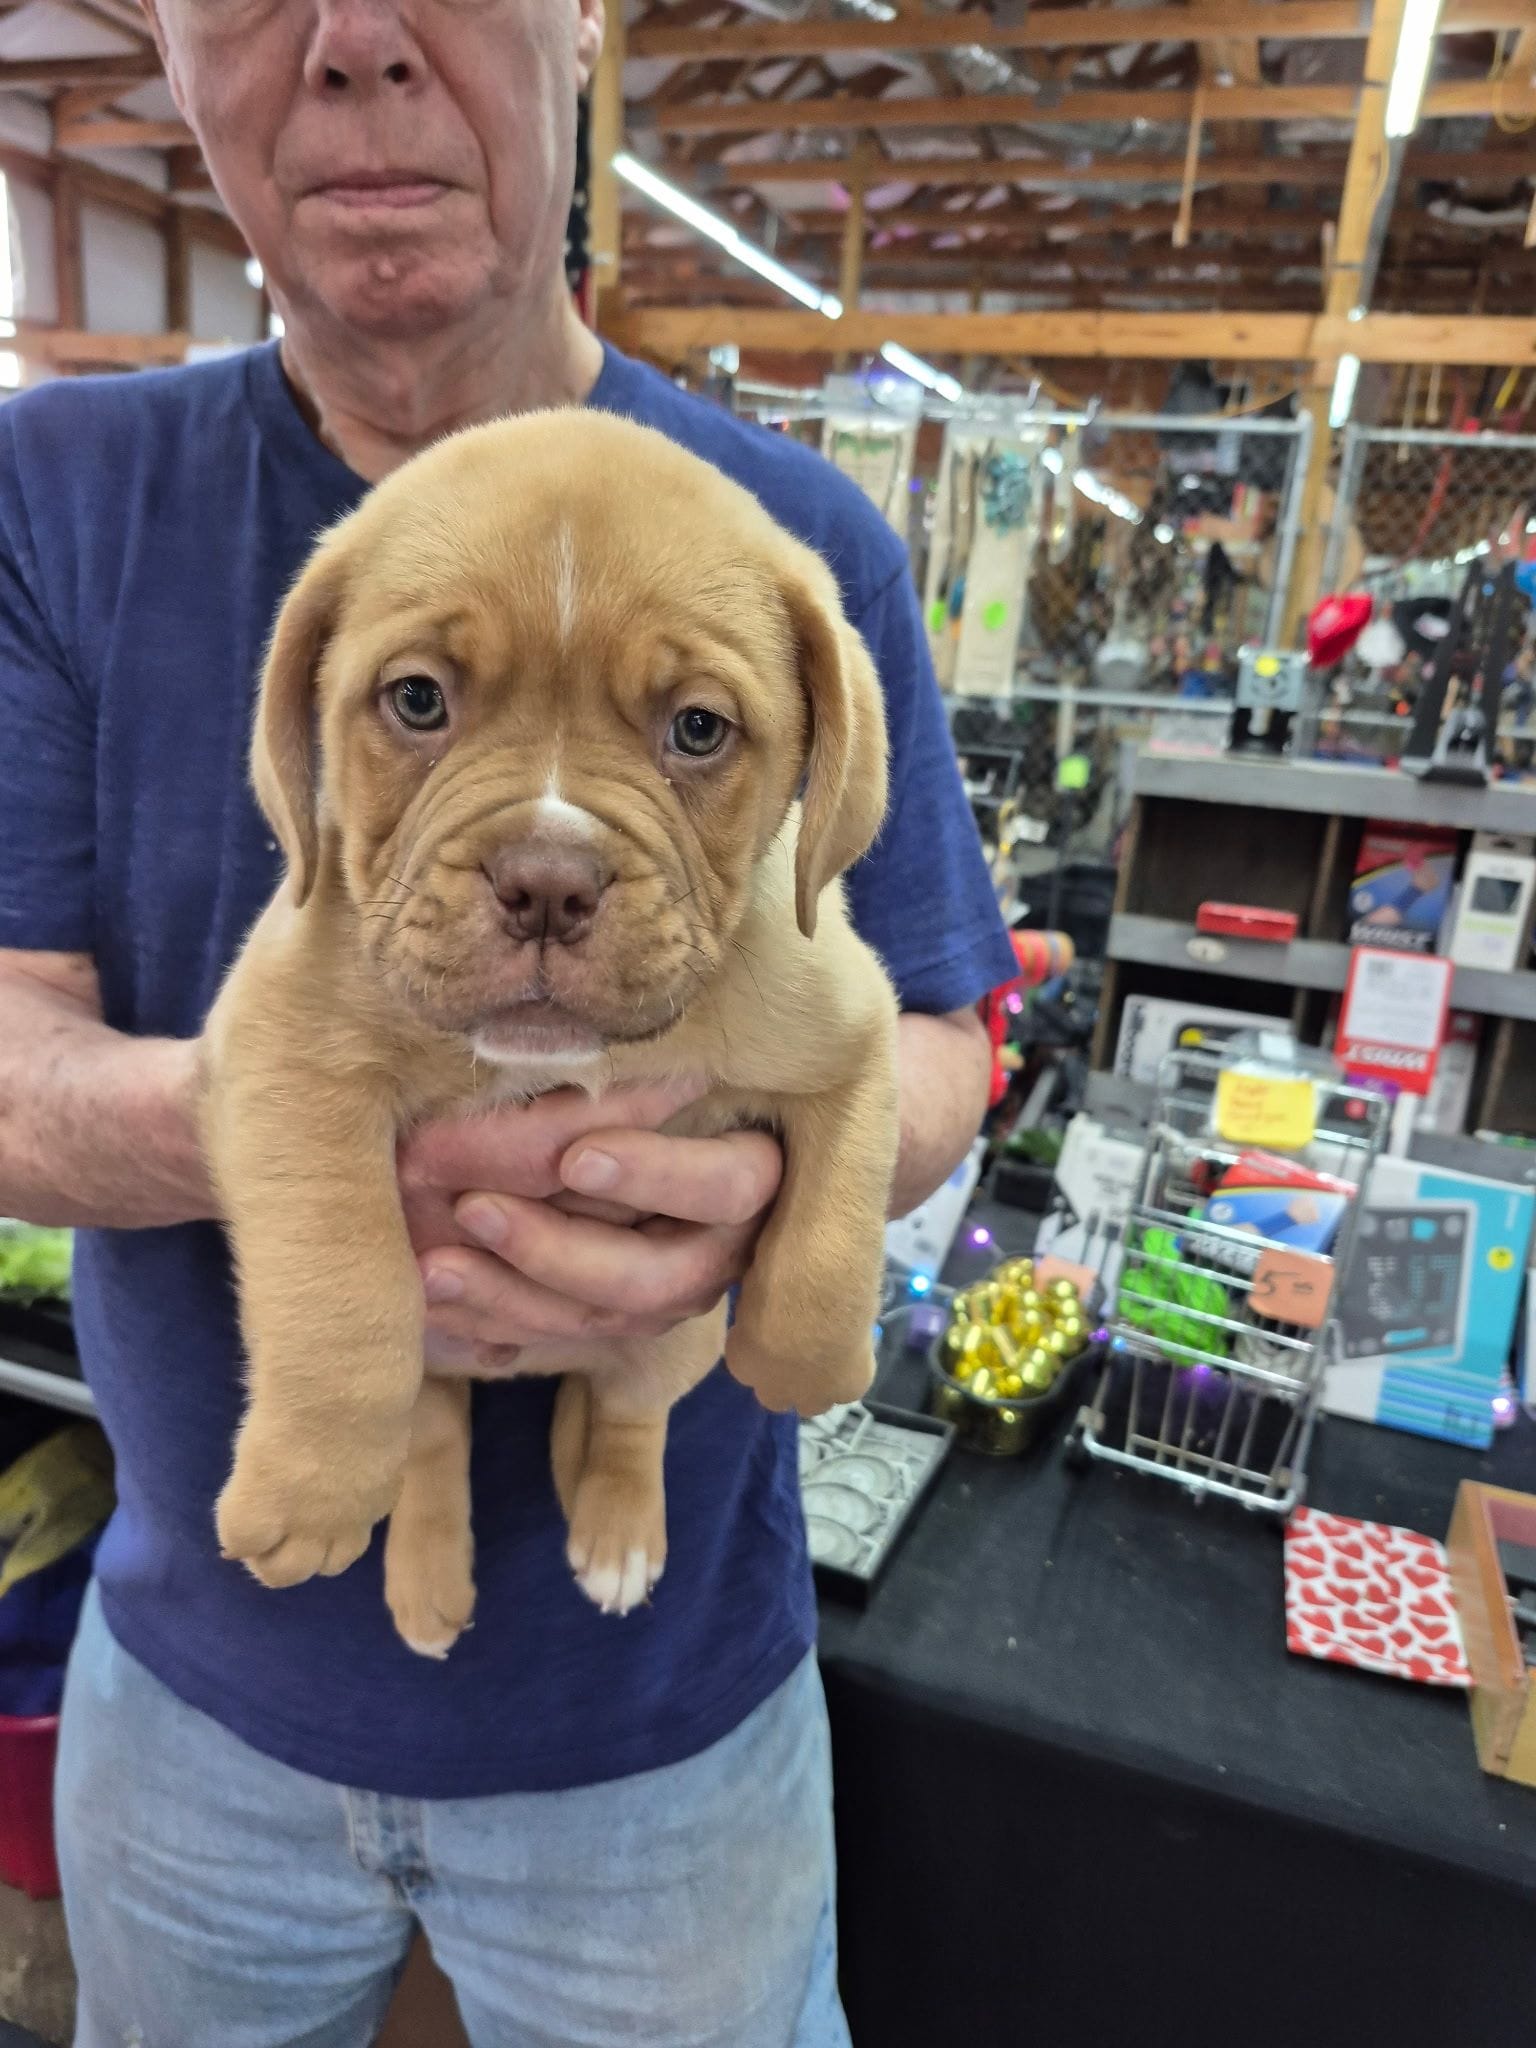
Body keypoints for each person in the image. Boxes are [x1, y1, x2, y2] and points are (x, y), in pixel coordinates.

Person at [0, 1, 1014, 2041]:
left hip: (664, 1743)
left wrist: (748, 1203)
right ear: (175, 51)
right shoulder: (50, 491)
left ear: (583, 20)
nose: (355, 40)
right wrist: (312, 1137)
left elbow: (928, 1039)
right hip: (194, 1681)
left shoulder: (797, 545)